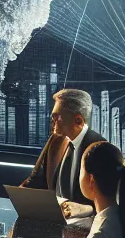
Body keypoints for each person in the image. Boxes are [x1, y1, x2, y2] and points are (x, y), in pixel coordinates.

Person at [21, 88, 107, 219]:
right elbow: (35, 181)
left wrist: (86, 209)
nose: (52, 120)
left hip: (84, 226)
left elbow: (110, 202)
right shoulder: (56, 140)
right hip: (52, 220)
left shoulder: (100, 149)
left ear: (78, 121)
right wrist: (19, 197)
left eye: (57, 117)